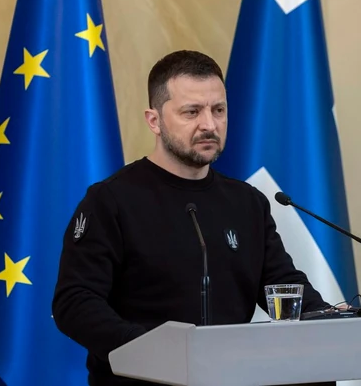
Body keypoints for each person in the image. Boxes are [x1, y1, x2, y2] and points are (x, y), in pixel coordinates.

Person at [52, 50, 335, 386]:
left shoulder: (247, 202)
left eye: (219, 110)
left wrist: (332, 320)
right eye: (192, 112)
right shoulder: (110, 200)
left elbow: (282, 286)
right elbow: (75, 302)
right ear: (154, 120)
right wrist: (149, 350)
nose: (209, 125)